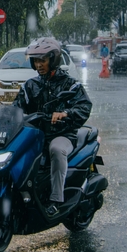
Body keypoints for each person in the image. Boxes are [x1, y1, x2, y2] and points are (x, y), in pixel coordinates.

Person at [12, 38, 92, 217]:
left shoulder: (70, 84)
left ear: (53, 59)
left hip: (62, 134)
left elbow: (84, 107)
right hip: (36, 135)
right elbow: (16, 107)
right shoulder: (30, 86)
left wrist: (66, 114)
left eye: (43, 60)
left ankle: (56, 200)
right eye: (36, 61)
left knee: (56, 149)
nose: (39, 65)